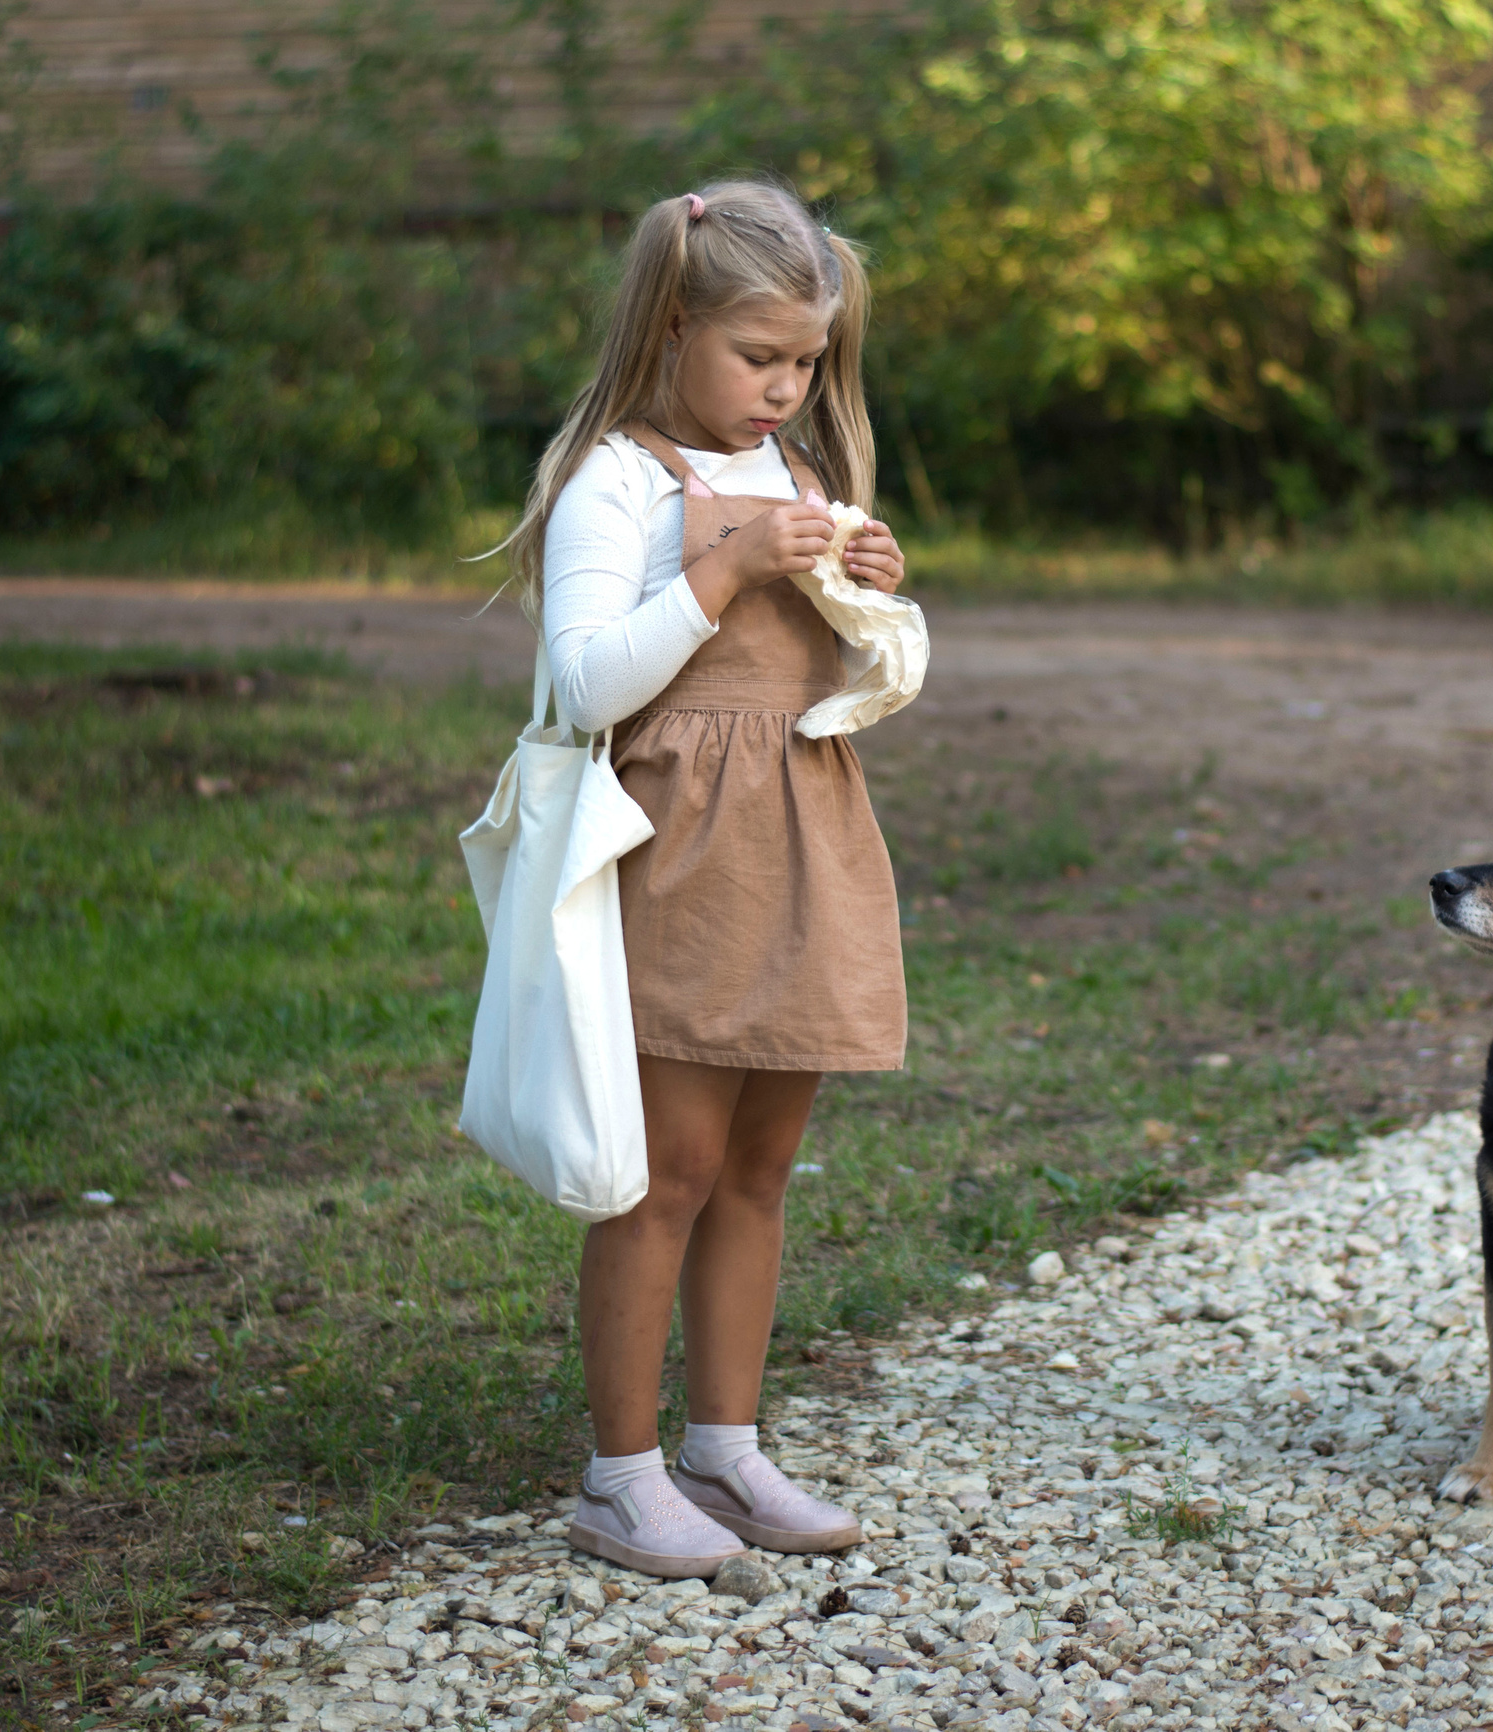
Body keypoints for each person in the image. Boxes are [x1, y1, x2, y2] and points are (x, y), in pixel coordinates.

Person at [498, 180, 909, 1579]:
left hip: (800, 841)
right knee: (662, 1173)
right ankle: (619, 1478)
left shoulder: (789, 475)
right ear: (674, 325)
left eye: (807, 361)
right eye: (760, 357)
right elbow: (582, 679)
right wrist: (729, 568)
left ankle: (724, 1450)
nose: (787, 389)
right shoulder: (616, 478)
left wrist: (868, 602)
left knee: (759, 1167)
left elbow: (834, 676)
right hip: (678, 851)